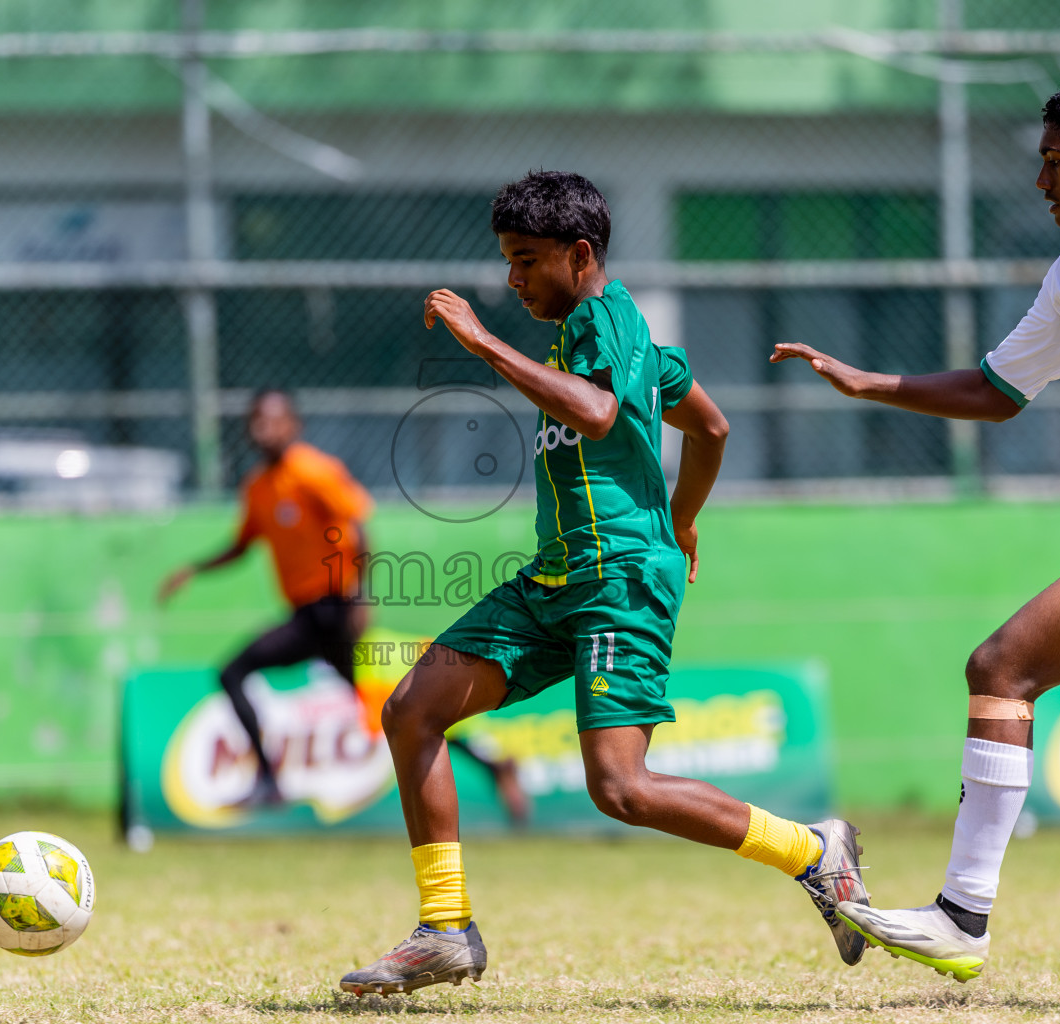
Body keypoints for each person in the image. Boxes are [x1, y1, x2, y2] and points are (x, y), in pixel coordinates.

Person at [338, 171, 870, 997]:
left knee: (620, 788)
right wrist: (685, 516)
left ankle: (813, 852)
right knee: (413, 708)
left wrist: (481, 344)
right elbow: (710, 424)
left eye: (525, 261)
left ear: (579, 254)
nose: (513, 279)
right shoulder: (602, 342)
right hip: (555, 579)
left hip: (618, 578)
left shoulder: (607, 318)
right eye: (508, 261)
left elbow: (596, 415)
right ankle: (445, 929)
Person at [772, 73, 1060, 982]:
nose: (1040, 181)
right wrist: (872, 383)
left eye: (1054, 162)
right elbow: (997, 391)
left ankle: (962, 914)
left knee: (1001, 665)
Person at [158, 390, 530, 821]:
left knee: (396, 706)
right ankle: (270, 780)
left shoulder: (313, 471)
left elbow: (356, 528)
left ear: (293, 425)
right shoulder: (258, 488)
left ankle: (271, 781)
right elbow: (242, 545)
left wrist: (359, 596)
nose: (265, 429)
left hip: (334, 612)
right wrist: (194, 569)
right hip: (306, 619)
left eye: (274, 420)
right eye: (257, 421)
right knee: (382, 703)